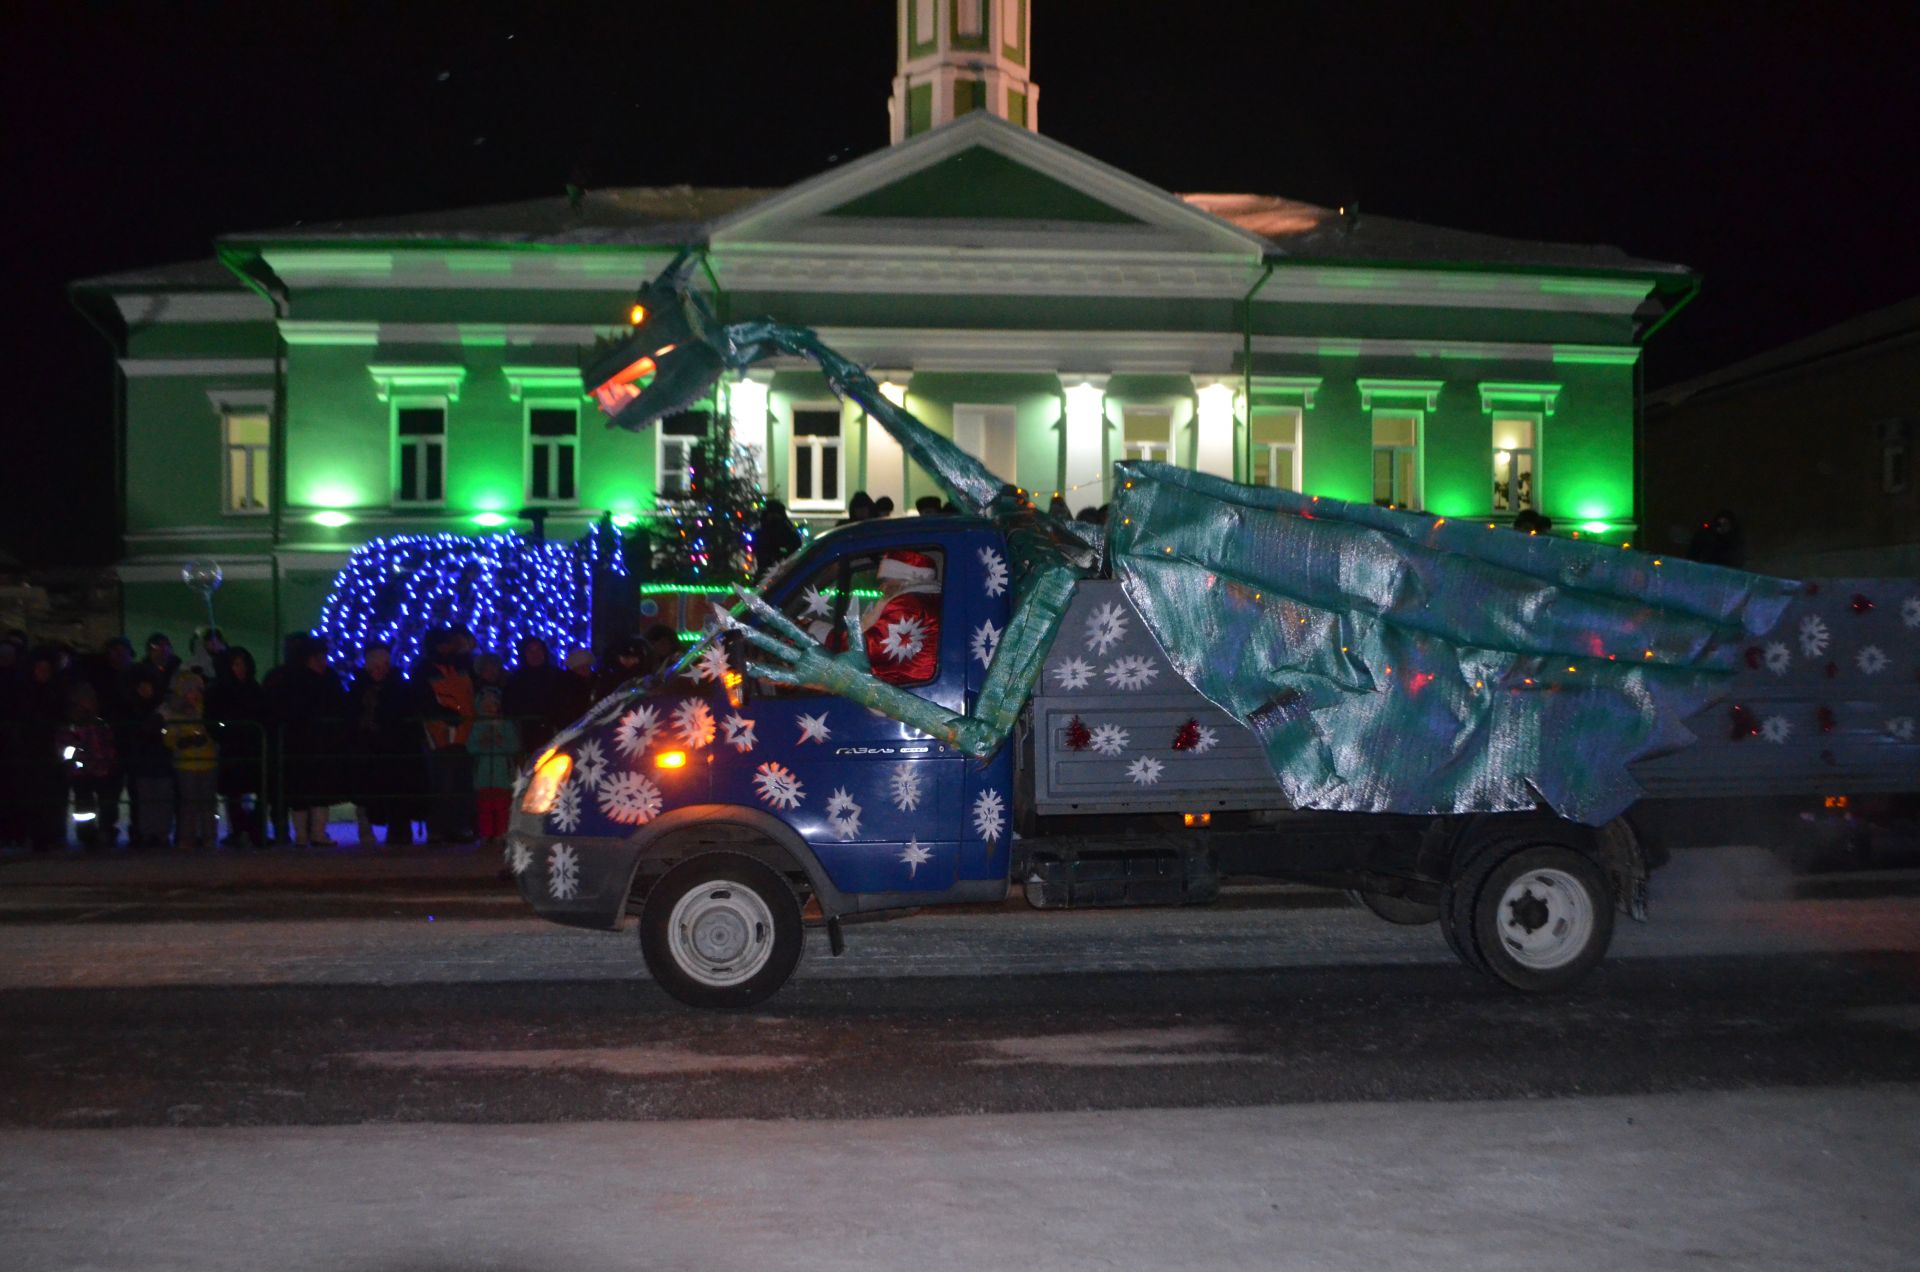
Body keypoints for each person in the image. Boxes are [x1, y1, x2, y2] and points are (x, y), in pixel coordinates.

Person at [273, 635, 348, 849]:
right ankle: (307, 834)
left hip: (316, 742)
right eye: (318, 657)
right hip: (305, 742)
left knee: (315, 790)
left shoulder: (314, 679)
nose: (322, 661)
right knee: (305, 790)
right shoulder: (305, 681)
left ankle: (313, 833)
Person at [347, 643, 423, 848]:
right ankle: (368, 830)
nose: (379, 669)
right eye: (375, 665)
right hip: (368, 748)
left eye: (383, 665)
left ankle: (399, 831)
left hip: (394, 748)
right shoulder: (359, 688)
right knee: (366, 789)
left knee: (397, 789)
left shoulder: (398, 688)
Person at [416, 629, 475, 844]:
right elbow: (423, 699)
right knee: (443, 781)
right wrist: (444, 715)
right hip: (439, 732)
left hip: (463, 731)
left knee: (459, 781)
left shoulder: (462, 665)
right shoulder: (426, 669)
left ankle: (457, 826)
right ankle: (442, 828)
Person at [206, 646, 268, 848]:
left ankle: (255, 830)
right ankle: (240, 830)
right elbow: (213, 719)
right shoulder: (219, 690)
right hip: (232, 747)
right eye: (236, 664)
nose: (240, 668)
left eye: (243, 664)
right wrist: (226, 731)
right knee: (234, 792)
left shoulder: (254, 688)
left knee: (259, 790)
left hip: (253, 747)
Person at [861, 549, 943, 686]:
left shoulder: (906, 605)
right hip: (914, 686)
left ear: (905, 579)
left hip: (900, 692)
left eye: (888, 580)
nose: (882, 587)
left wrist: (823, 633)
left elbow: (873, 649)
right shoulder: (926, 599)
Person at [57, 682, 120, 851]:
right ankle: (88, 836)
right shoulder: (73, 725)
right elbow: (66, 749)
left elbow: (108, 744)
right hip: (83, 772)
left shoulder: (99, 722)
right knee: (85, 807)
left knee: (104, 804)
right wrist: (77, 761)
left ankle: (104, 832)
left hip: (100, 769)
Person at [161, 671, 219, 852]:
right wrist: (182, 741)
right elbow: (168, 736)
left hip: (208, 762)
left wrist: (208, 737)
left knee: (207, 803)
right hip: (185, 764)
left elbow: (217, 729)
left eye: (197, 690)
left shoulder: (207, 709)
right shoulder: (175, 711)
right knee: (188, 803)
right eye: (189, 691)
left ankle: (209, 837)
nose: (194, 695)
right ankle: (187, 838)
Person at [122, 671, 174, 850]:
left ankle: (160, 833)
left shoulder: (161, 708)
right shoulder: (135, 709)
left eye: (147, 686)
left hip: (159, 760)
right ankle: (148, 833)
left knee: (161, 798)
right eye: (141, 686)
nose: (144, 690)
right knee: (146, 798)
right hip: (143, 761)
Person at [469, 686, 518, 849]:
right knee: (485, 805)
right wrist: (481, 743)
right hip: (483, 773)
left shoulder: (506, 725)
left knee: (502, 804)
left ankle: (501, 832)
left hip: (501, 772)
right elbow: (470, 747)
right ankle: (486, 832)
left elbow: (514, 746)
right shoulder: (477, 725)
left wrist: (500, 742)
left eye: (493, 704)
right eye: (486, 704)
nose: (490, 708)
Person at [505, 636, 565, 758]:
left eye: (538, 650)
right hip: (525, 733)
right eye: (530, 651)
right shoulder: (516, 680)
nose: (535, 655)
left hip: (553, 731)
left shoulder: (557, 676)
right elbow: (509, 706)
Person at [756, 499, 802, 573]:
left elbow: (795, 545)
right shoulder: (765, 529)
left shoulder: (784, 528)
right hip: (771, 569)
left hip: (782, 569)